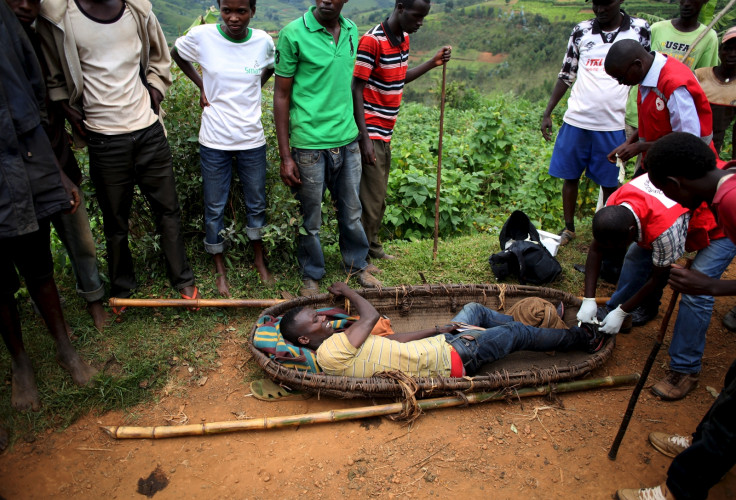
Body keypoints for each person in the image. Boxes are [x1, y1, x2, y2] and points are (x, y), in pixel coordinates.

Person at [36, 0, 199, 308]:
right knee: (115, 221)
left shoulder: (137, 9)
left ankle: (183, 280)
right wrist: (70, 112)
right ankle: (122, 288)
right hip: (103, 136)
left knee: (167, 210)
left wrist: (154, 92)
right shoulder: (58, 15)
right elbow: (54, 73)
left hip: (148, 130)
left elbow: (160, 58)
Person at [615, 132, 736, 500]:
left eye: (667, 194)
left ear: (674, 184)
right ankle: (701, 441)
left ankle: (679, 490)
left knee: (735, 414)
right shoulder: (725, 179)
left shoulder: (731, 202)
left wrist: (713, 287)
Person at [1, 0, 97, 413]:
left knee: (38, 265)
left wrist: (56, 171)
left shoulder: (6, 24)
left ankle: (64, 348)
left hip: (23, 161)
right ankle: (21, 363)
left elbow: (35, 96)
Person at [578, 169, 733, 399]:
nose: (611, 251)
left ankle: (685, 369)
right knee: (633, 257)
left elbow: (659, 278)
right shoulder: (615, 203)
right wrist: (589, 299)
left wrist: (621, 311)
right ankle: (618, 314)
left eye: (616, 245)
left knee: (695, 293)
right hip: (665, 220)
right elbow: (596, 248)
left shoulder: (665, 231)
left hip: (720, 228)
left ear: (632, 230)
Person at [5, 0, 110, 331]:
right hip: (18, 174)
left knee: (80, 238)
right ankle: (46, 312)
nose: (25, 6)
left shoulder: (42, 41)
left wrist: (67, 114)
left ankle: (94, 300)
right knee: (33, 251)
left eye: (33, 0)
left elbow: (49, 97)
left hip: (56, 159)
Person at [274, 0, 381, 296]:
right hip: (309, 144)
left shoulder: (350, 30)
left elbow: (350, 85)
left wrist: (361, 135)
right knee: (311, 215)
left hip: (347, 140)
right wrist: (286, 156)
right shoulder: (293, 33)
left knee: (351, 209)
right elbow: (281, 95)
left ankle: (357, 263)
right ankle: (312, 273)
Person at [280, 282, 606, 378]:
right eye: (315, 320)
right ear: (305, 338)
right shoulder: (329, 353)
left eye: (318, 313)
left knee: (475, 311)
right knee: (516, 336)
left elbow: (392, 341)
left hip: (443, 343)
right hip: (453, 359)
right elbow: (370, 316)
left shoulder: (340, 344)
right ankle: (582, 337)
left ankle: (544, 329)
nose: (323, 318)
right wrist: (347, 291)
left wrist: (438, 328)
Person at [172, 0, 275, 296]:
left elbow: (269, 68)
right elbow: (177, 54)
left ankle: (259, 260)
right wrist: (200, 84)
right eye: (226, 10)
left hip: (252, 139)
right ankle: (220, 268)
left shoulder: (263, 41)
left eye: (241, 11)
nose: (233, 17)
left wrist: (254, 87)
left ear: (252, 11)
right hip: (214, 140)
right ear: (218, 8)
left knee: (256, 202)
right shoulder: (203, 36)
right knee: (215, 205)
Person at [540, 0, 650, 246]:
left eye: (606, 4)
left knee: (610, 182)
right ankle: (569, 229)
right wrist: (548, 113)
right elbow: (567, 73)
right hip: (577, 119)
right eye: (595, 4)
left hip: (612, 123)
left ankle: (605, 232)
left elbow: (645, 74)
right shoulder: (582, 31)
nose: (600, 10)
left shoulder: (640, 29)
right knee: (570, 177)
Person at [352, 0, 451, 264]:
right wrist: (365, 139)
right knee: (371, 200)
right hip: (371, 130)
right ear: (400, 7)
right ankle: (359, 259)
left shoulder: (403, 38)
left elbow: (399, 77)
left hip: (386, 131)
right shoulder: (372, 41)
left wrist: (433, 62)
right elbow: (356, 89)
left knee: (379, 198)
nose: (420, 23)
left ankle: (372, 246)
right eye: (416, 16)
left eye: (424, 18)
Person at [623, 0, 719, 151]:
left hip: (673, 116)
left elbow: (703, 79)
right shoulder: (657, 29)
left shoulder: (708, 37)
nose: (687, 3)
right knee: (640, 163)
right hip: (640, 111)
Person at [605, 38, 714, 165]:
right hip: (659, 159)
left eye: (621, 78)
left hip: (686, 166)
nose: (621, 83)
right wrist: (628, 143)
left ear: (638, 64)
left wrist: (640, 147)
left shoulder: (675, 87)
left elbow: (687, 140)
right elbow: (653, 121)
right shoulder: (647, 72)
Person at [695, 27, 736, 160]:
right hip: (687, 143)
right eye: (728, 49)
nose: (732, 54)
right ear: (719, 51)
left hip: (713, 151)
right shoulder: (699, 76)